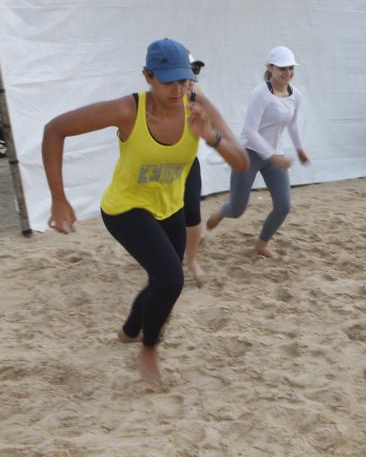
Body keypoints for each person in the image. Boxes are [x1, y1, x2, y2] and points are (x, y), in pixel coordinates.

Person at [42, 38, 249, 384]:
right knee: (171, 279)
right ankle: (149, 347)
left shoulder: (198, 106)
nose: (178, 90)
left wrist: (210, 135)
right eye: (168, 82)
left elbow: (241, 163)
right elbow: (55, 129)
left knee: (161, 279)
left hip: (169, 207)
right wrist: (58, 198)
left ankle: (129, 329)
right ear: (148, 77)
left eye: (183, 81)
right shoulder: (128, 110)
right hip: (125, 209)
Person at [206, 46, 309, 258]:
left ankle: (261, 245)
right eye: (282, 68)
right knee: (237, 210)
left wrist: (300, 150)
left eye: (291, 68)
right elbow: (250, 131)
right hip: (248, 154)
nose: (288, 72)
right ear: (270, 67)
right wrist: (272, 156)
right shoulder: (260, 93)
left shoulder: (295, 95)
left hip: (274, 155)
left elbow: (293, 124)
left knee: (283, 206)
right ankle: (223, 211)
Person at [184, 54, 206, 283]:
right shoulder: (154, 99)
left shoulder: (197, 95)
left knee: (192, 210)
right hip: (160, 164)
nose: (191, 79)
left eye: (194, 73)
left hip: (187, 161)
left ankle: (192, 260)